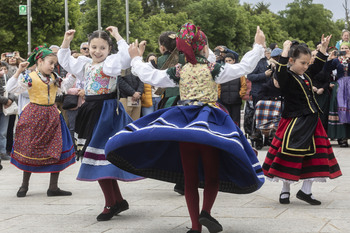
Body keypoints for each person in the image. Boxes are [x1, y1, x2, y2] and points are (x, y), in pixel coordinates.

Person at [105, 23, 266, 233]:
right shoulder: (213, 68)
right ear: (204, 48)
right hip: (209, 124)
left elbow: (151, 76)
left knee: (190, 179)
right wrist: (258, 46)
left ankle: (194, 227)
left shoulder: (179, 70)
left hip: (185, 123)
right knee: (212, 176)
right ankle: (206, 212)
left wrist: (136, 58)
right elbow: (244, 67)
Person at [57, 26, 142, 221]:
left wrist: (118, 36)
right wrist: (66, 41)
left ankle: (111, 203)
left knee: (100, 158)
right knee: (100, 158)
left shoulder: (110, 63)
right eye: (94, 47)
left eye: (102, 48)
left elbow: (126, 56)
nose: (97, 51)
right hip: (91, 111)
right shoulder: (85, 64)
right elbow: (65, 61)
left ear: (108, 49)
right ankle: (117, 200)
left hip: (107, 113)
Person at [262, 36, 342, 206]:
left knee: (315, 157)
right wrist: (284, 51)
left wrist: (323, 50)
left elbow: (318, 66)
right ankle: (285, 190)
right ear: (291, 60)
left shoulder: (304, 75)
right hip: (293, 121)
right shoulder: (287, 77)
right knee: (287, 156)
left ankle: (306, 191)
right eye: (303, 63)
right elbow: (281, 71)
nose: (306, 66)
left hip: (312, 122)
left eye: (307, 63)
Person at [7, 45, 76, 197]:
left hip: (52, 115)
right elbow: (11, 88)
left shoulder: (54, 78)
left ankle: (53, 187)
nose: (53, 66)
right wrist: (19, 71)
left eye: (54, 64)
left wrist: (74, 73)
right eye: (50, 63)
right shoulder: (29, 77)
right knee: (29, 148)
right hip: (34, 115)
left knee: (57, 147)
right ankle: (24, 185)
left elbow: (64, 86)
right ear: (39, 61)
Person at [247, 46, 272, 150]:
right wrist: (264, 75)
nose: (266, 53)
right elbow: (250, 76)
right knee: (258, 117)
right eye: (265, 51)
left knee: (269, 117)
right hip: (258, 93)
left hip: (269, 93)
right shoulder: (256, 62)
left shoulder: (269, 61)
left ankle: (268, 139)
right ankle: (257, 139)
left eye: (267, 51)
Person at [327, 42, 350, 147]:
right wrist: (330, 59)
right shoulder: (336, 60)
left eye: (346, 48)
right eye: (342, 48)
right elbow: (326, 71)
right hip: (340, 87)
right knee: (340, 112)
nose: (344, 50)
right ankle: (342, 138)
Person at [218, 53, 246, 127]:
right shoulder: (222, 72)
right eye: (226, 61)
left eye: (229, 60)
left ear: (234, 61)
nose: (228, 62)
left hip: (236, 100)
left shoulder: (239, 71)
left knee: (236, 121)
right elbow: (218, 85)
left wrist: (240, 95)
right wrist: (220, 95)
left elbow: (243, 85)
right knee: (226, 120)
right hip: (224, 100)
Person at [0, 62, 15, 164]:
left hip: (5, 110)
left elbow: (14, 90)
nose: (3, 71)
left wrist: (10, 99)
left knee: (3, 132)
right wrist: (5, 101)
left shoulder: (8, 78)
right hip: (3, 104)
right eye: (1, 69)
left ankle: (3, 152)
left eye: (5, 69)